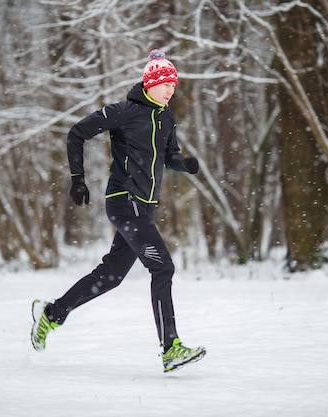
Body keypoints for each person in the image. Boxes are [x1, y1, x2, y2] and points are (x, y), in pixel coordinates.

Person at [30, 49, 206, 373]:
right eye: (165, 84)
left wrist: (185, 164)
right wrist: (77, 180)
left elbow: (169, 156)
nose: (171, 90)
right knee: (163, 268)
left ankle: (52, 313)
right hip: (125, 201)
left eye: (174, 85)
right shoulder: (125, 112)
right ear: (150, 84)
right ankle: (170, 348)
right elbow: (76, 133)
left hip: (145, 208)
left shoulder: (166, 118)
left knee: (110, 277)